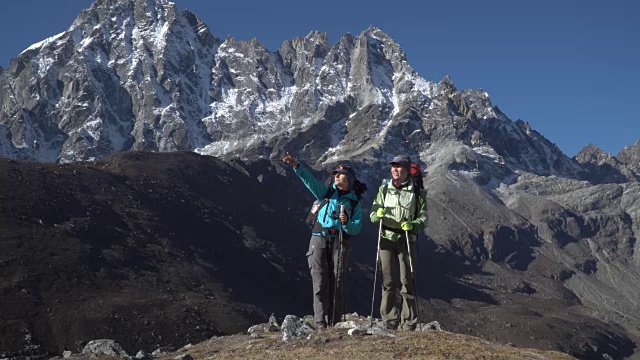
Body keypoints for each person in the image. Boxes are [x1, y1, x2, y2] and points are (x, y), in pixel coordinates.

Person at [282, 152, 363, 328]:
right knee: (319, 279)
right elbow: (310, 182)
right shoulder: (325, 193)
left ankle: (335, 321)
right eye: (335, 174)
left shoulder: (354, 203)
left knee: (337, 280)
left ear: (348, 179)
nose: (336, 176)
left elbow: (357, 227)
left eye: (340, 174)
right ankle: (320, 322)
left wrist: (347, 223)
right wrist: (297, 166)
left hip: (340, 240)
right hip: (319, 238)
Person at [370, 155, 427, 331]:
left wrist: (413, 225)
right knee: (387, 280)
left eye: (399, 166)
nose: (395, 169)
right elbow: (373, 211)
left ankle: (409, 321)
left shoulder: (417, 192)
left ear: (407, 169)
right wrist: (376, 214)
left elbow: (423, 218)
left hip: (406, 239)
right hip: (387, 238)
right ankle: (389, 318)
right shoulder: (384, 189)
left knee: (407, 281)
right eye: (393, 166)